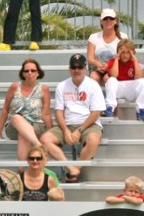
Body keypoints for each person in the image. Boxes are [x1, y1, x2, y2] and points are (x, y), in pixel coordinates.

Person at [41, 53, 105, 182]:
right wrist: (65, 131)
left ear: (85, 68)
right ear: (69, 68)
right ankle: (71, 168)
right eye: (74, 67)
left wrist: (79, 130)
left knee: (93, 139)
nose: (77, 70)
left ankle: (77, 168)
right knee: (44, 139)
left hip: (89, 124)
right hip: (67, 124)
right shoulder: (62, 86)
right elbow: (59, 112)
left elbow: (96, 113)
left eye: (80, 67)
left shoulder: (93, 85)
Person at [0, 59, 53, 164]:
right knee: (17, 118)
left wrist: (50, 131)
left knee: (23, 134)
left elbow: (46, 113)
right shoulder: (14, 87)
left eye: (33, 70)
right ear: (22, 73)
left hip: (36, 125)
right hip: (14, 126)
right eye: (26, 71)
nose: (30, 73)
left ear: (38, 72)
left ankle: (21, 171)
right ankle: (38, 146)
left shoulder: (44, 89)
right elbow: (5, 109)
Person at [103, 38, 144, 122]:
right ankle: (110, 108)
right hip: (117, 88)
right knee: (111, 80)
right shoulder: (113, 61)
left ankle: (141, 110)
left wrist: (134, 58)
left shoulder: (134, 62)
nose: (125, 55)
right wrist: (116, 58)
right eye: (122, 52)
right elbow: (114, 75)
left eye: (128, 52)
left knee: (143, 82)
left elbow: (139, 76)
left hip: (130, 90)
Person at [87, 8, 124, 85]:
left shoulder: (123, 37)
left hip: (116, 70)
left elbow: (124, 57)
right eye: (105, 19)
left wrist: (109, 66)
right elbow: (90, 58)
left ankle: (111, 97)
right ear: (101, 21)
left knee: (108, 79)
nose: (108, 21)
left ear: (116, 21)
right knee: (94, 77)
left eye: (111, 18)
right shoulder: (93, 37)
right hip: (98, 69)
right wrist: (98, 64)